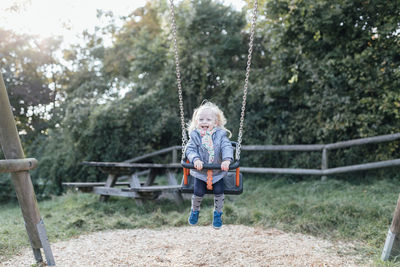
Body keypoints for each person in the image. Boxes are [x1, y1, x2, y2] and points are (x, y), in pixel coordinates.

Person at [185, 101, 233, 229]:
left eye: (208, 119)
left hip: (217, 172)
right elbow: (190, 150)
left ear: (215, 123)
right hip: (200, 173)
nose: (204, 122)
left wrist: (227, 160)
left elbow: (227, 147)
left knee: (219, 190)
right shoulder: (195, 136)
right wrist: (195, 160)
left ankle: (218, 214)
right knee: (198, 191)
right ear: (196, 122)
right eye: (201, 119)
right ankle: (194, 211)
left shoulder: (221, 136)